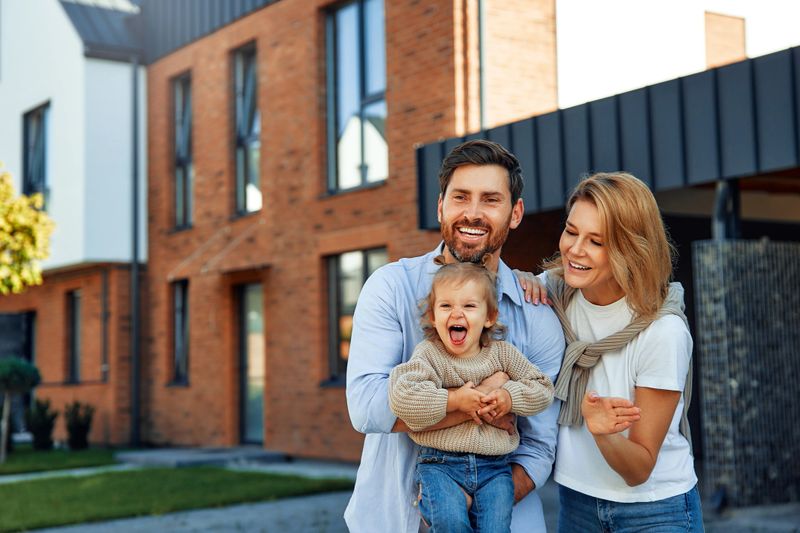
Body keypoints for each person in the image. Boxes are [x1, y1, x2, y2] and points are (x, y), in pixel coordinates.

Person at [344, 140, 565, 533]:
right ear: (440, 206)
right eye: (461, 197)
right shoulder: (390, 287)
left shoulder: (538, 315)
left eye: (491, 199)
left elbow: (539, 444)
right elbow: (367, 407)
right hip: (396, 519)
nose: (473, 213)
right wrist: (478, 401)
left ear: (515, 213)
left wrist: (474, 505)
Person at [523, 172, 703, 532]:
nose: (575, 249)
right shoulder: (554, 295)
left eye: (596, 241)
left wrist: (603, 432)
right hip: (575, 503)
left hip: (655, 511)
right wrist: (518, 279)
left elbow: (639, 468)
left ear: (629, 249)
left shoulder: (661, 331)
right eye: (571, 231)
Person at [389, 258, 555, 533]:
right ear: (432, 316)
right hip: (440, 464)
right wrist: (454, 401)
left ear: (489, 316)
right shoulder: (429, 354)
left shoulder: (502, 354)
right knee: (451, 524)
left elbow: (542, 387)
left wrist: (509, 396)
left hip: (495, 468)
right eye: (446, 306)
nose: (456, 314)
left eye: (468, 306)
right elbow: (402, 397)